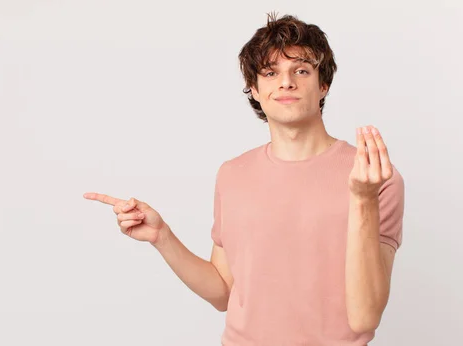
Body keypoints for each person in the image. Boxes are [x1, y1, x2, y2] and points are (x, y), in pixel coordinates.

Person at [84, 12, 405, 346]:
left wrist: (364, 199)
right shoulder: (232, 175)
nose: (286, 82)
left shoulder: (374, 177)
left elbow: (366, 316)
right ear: (254, 88)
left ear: (323, 84)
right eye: (270, 72)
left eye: (301, 70)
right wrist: (162, 237)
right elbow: (223, 291)